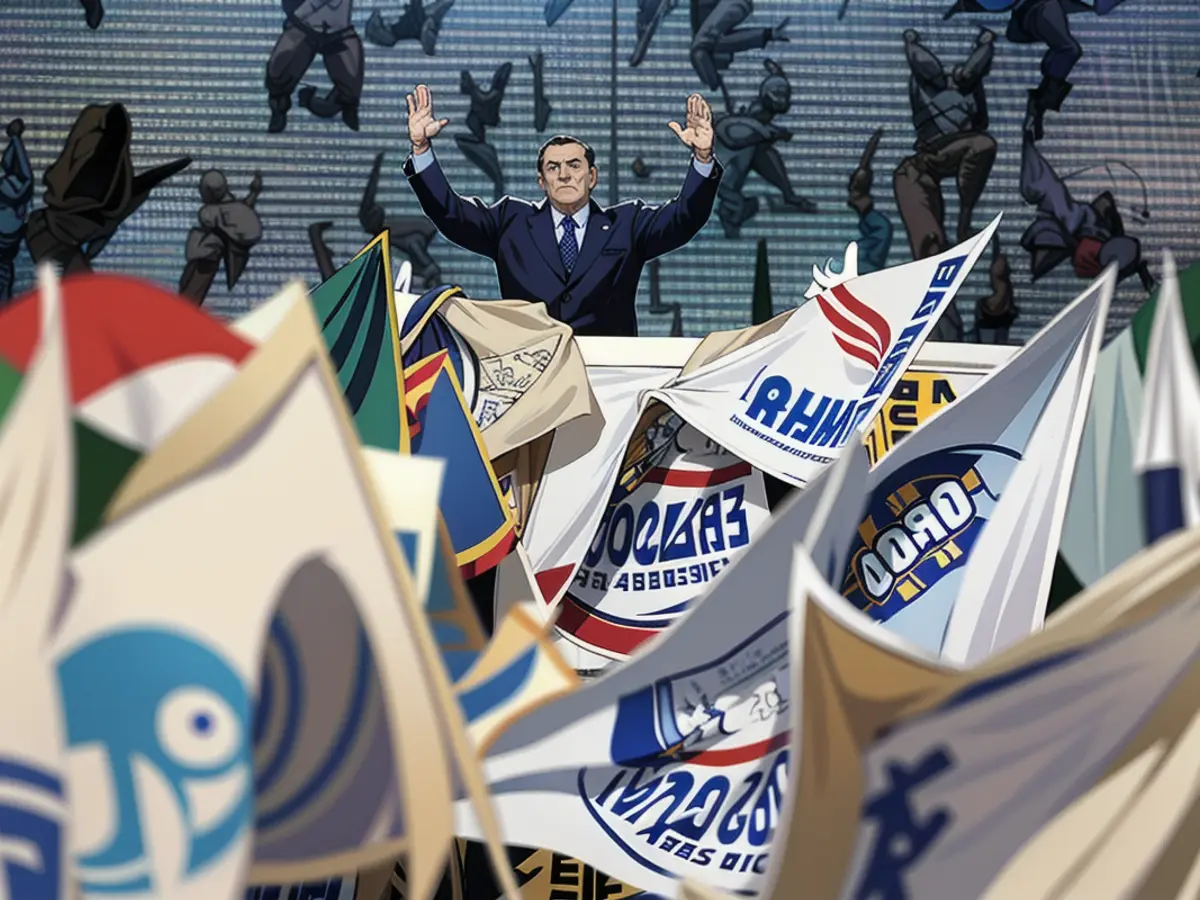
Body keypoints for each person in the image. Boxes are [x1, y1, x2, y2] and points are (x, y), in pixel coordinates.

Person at [402, 84, 721, 337]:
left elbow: (685, 217)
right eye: (553, 167)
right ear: (542, 181)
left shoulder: (628, 224)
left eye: (574, 165)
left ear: (592, 176)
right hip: (530, 371)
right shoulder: (509, 222)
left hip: (609, 376)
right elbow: (449, 212)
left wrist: (703, 157)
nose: (565, 174)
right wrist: (421, 150)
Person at [1018, 131, 1154, 292]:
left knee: (1052, 194)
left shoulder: (1065, 224)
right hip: (1084, 225)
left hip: (1074, 228)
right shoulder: (1090, 223)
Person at [265, 0, 364, 133]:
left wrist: (297, 15)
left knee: (351, 84)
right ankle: (279, 110)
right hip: (304, 27)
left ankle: (344, 110)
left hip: (339, 31)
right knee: (278, 72)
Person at [179, 169, 264, 306]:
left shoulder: (209, 213)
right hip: (221, 252)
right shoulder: (235, 208)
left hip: (207, 261)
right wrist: (254, 192)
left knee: (190, 294)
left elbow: (213, 219)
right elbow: (243, 208)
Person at [0, 119, 32, 306]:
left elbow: (19, 173)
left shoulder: (10, 194)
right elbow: (24, 176)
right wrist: (15, 139)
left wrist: (15, 139)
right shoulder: (14, 197)